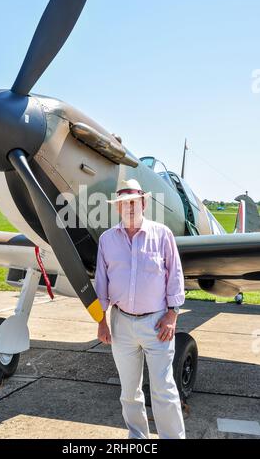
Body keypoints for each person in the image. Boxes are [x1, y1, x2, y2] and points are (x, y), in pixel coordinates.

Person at [95, 179, 186, 439]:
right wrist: (101, 321)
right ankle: (138, 439)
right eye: (124, 204)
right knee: (129, 392)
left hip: (157, 323)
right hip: (120, 323)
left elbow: (175, 276)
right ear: (117, 209)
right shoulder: (107, 240)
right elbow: (102, 283)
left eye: (134, 202)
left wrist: (172, 314)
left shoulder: (163, 234)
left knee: (164, 389)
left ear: (144, 203)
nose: (129, 208)